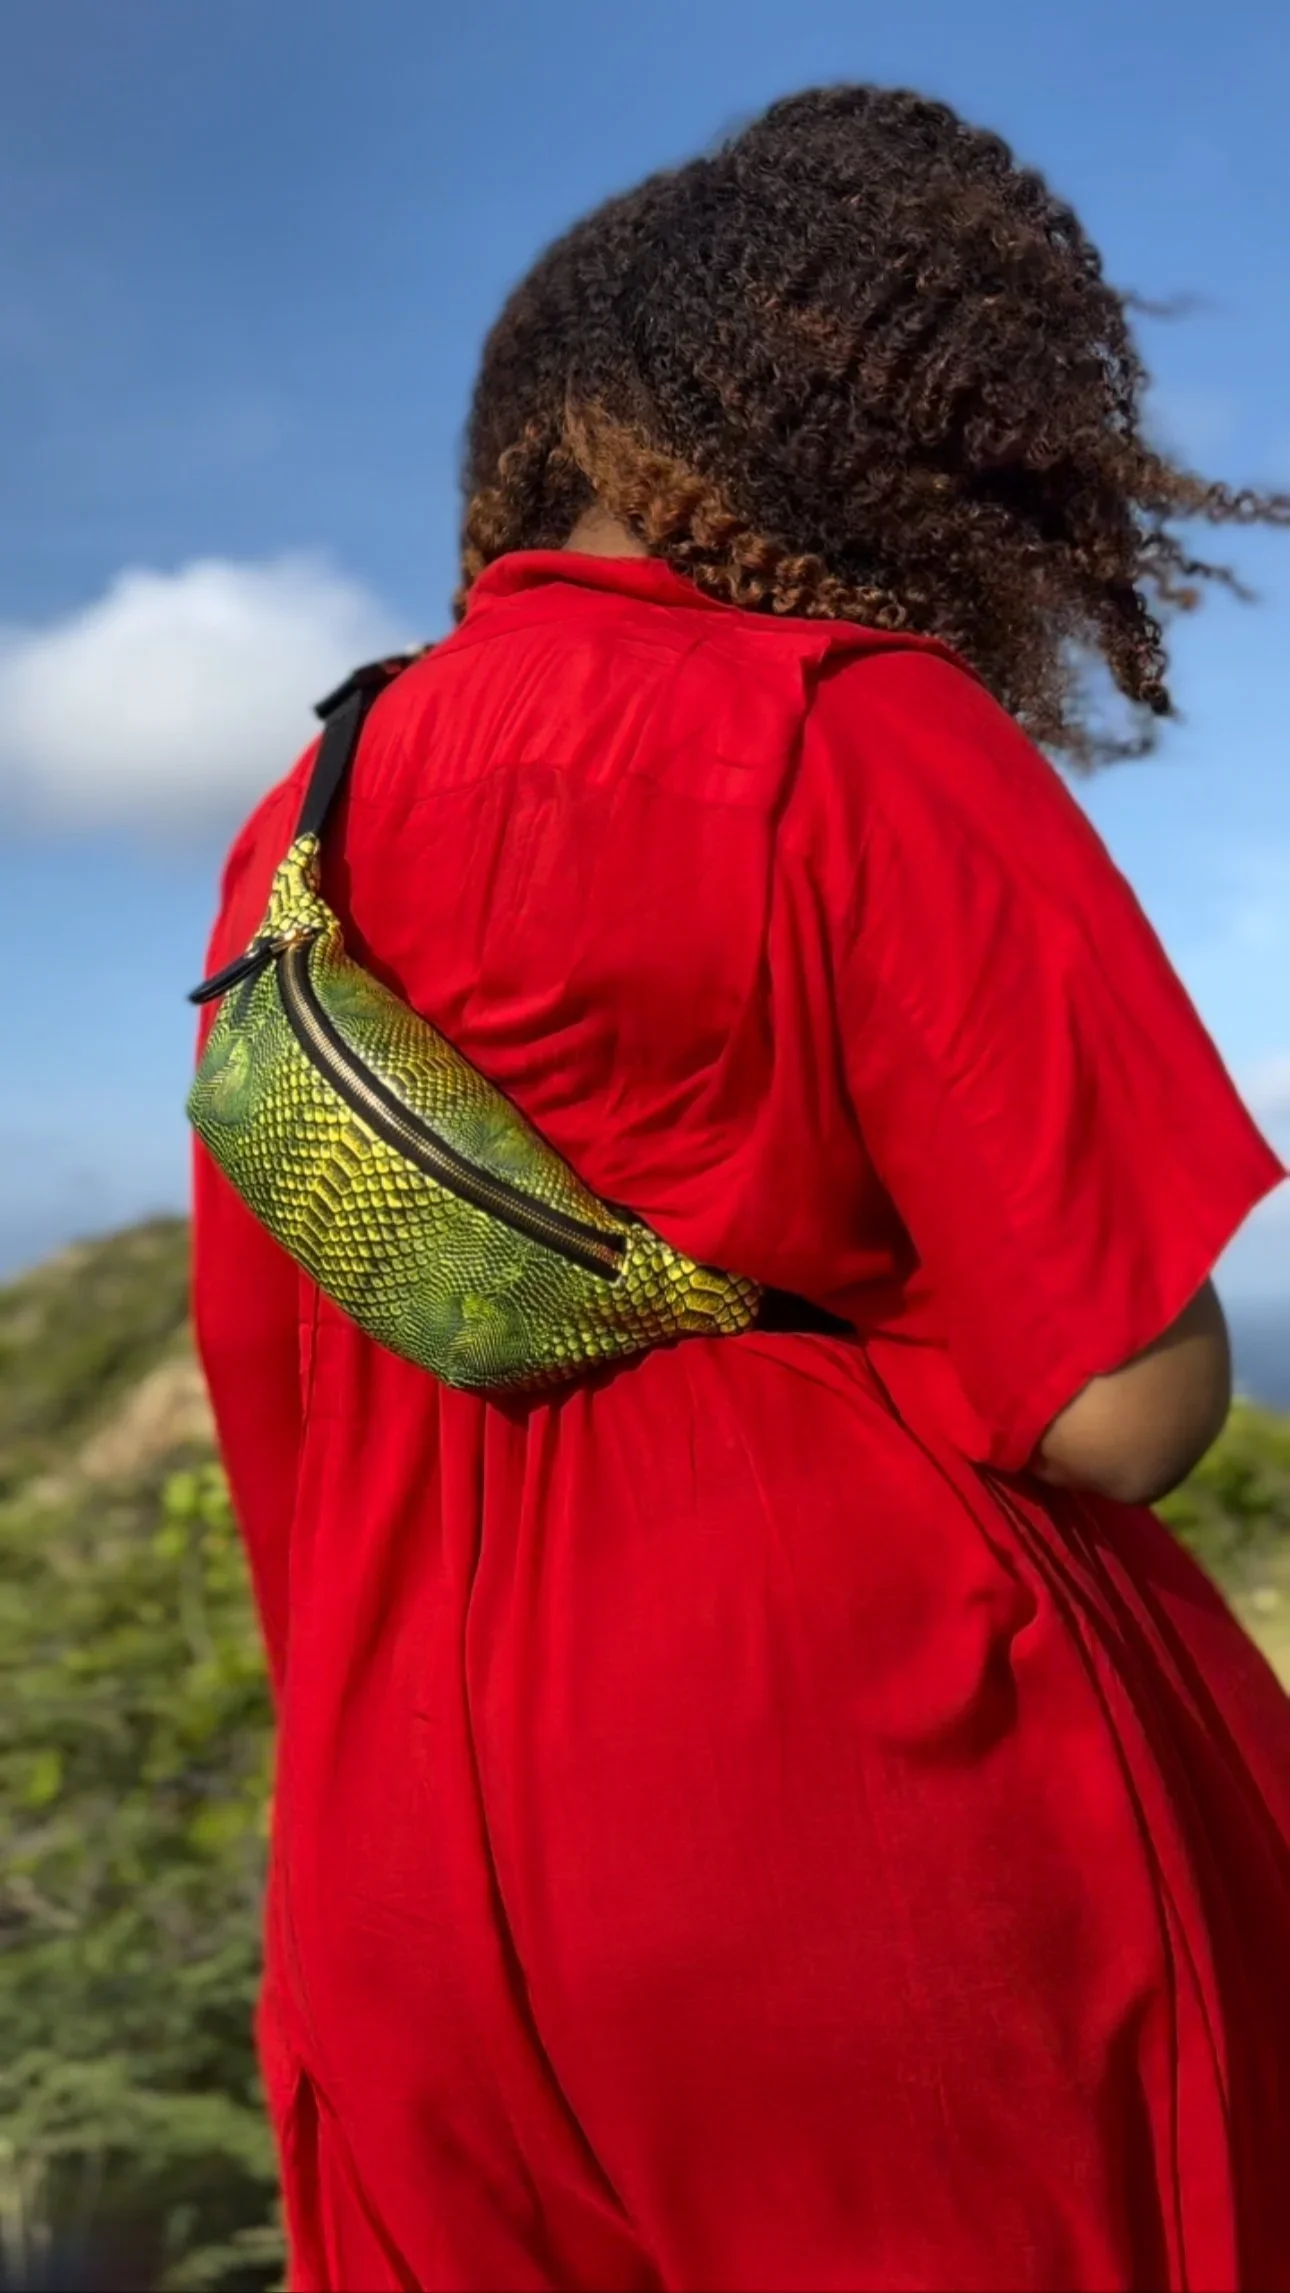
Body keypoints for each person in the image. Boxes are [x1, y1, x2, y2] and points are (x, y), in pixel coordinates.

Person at [192, 85, 1290, 2293]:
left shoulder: (291, 830)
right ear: (893, 441)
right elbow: (1124, 1406)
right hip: (855, 1818)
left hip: (401, 1859)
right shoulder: (852, 726)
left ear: (542, 437)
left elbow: (280, 1406)